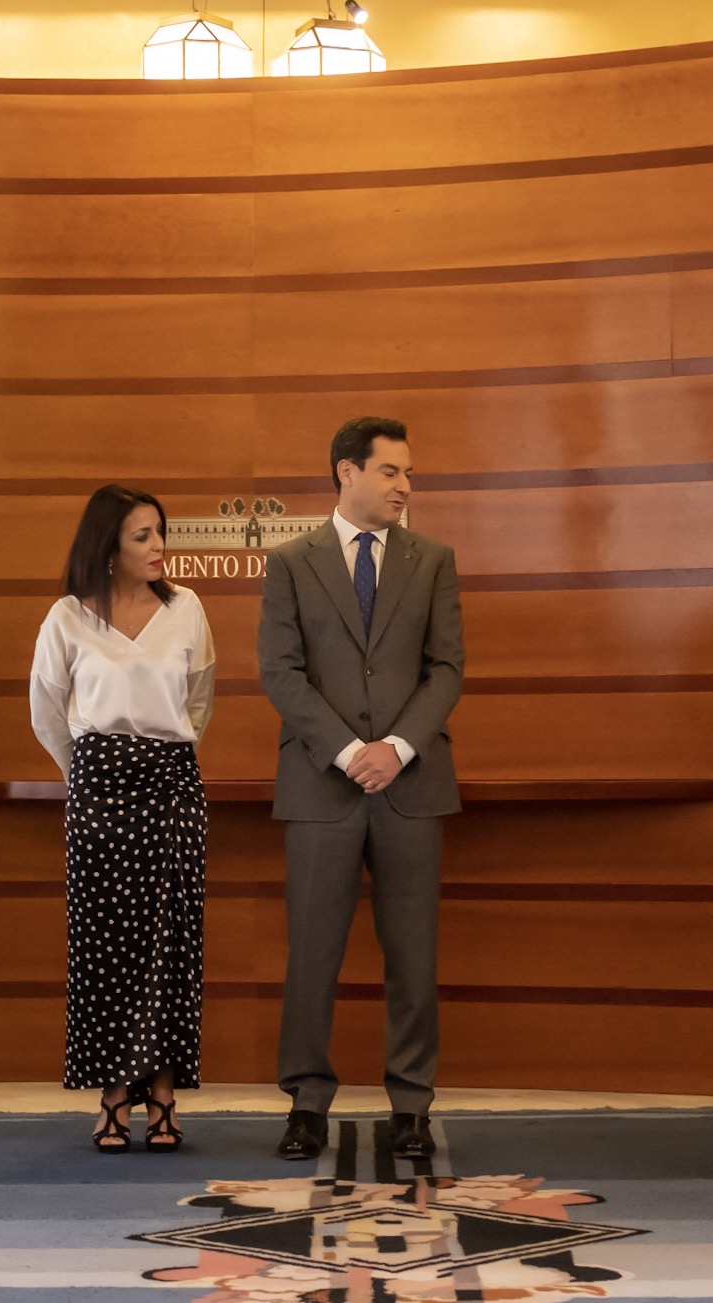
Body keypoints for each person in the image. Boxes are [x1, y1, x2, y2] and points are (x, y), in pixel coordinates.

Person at [258, 417, 465, 1162]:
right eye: (391, 471)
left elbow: (447, 668)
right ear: (347, 471)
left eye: (409, 473)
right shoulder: (289, 561)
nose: (405, 485)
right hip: (322, 786)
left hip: (413, 785)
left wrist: (397, 748)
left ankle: (411, 1104)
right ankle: (306, 1103)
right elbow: (280, 672)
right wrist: (351, 752)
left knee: (413, 955)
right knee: (312, 952)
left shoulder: (434, 559)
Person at [30, 484, 215, 1154]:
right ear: (108, 545)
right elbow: (47, 711)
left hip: (170, 785)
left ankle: (162, 1093)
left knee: (169, 945)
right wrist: (87, 771)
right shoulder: (67, 618)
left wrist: (157, 752)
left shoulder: (187, 608)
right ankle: (113, 1096)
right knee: (107, 947)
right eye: (144, 535)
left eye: (160, 532)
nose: (160, 546)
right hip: (99, 789)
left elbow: (199, 701)